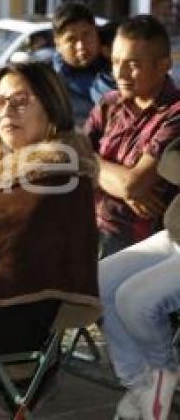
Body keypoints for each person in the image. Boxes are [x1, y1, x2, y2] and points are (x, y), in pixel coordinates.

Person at [0, 63, 101, 354]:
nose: (6, 112)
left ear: (52, 105)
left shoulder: (59, 174)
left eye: (20, 101)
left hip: (8, 317)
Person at [84, 14, 180, 258]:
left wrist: (94, 166)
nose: (121, 74)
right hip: (85, 220)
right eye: (116, 62)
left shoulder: (174, 114)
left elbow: (133, 184)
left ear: (163, 64)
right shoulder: (109, 104)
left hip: (135, 240)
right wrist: (120, 187)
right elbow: (71, 157)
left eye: (133, 65)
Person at [100, 138, 180, 420]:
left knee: (135, 300)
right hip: (174, 236)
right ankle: (139, 383)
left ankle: (162, 374)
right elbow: (169, 161)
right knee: (100, 282)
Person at [51, 2, 116, 125]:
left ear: (96, 33)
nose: (81, 46)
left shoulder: (117, 71)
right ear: (58, 44)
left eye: (86, 35)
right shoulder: (52, 85)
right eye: (71, 39)